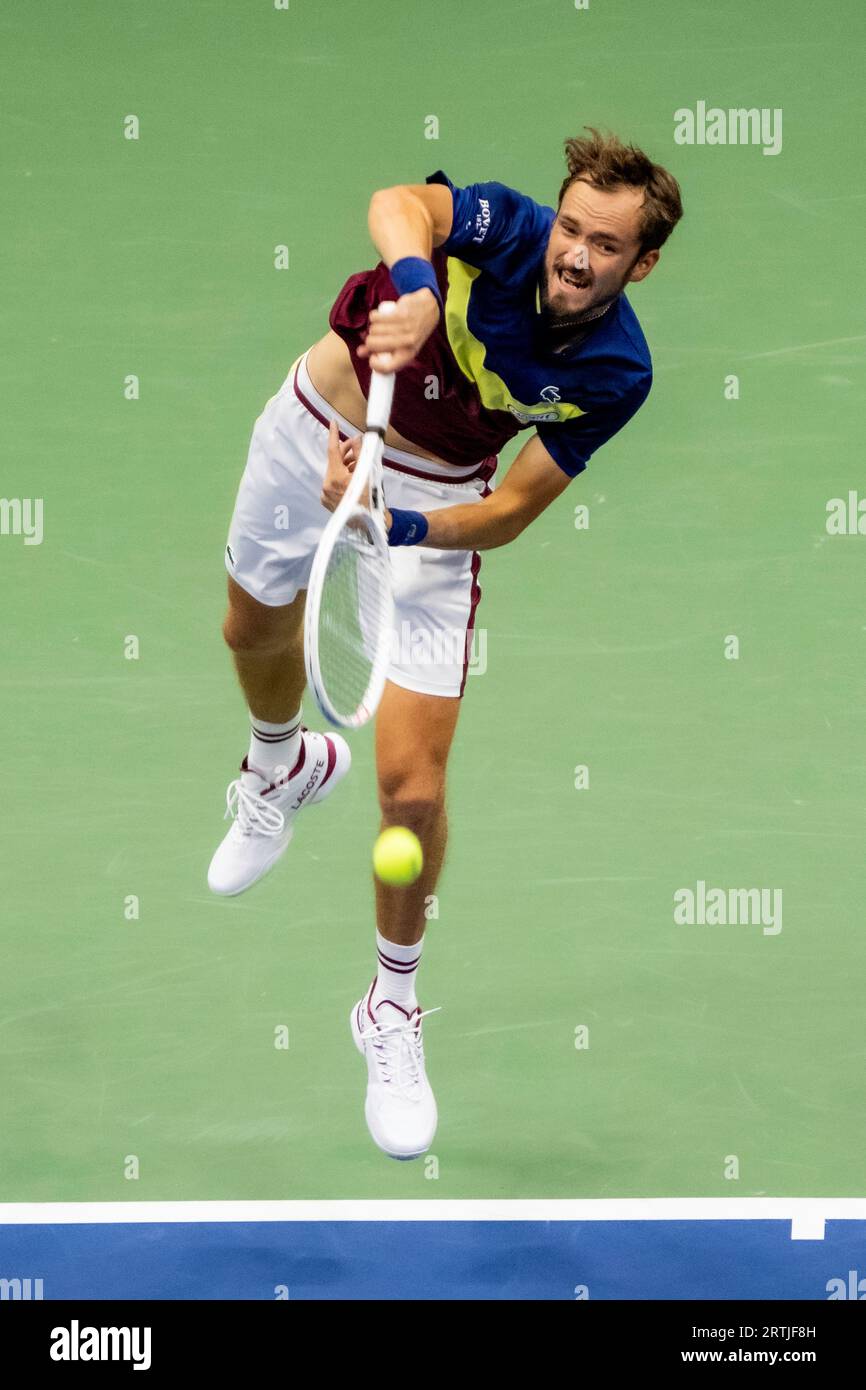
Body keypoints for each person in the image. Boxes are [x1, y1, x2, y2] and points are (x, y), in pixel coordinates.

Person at [208, 128, 683, 1160]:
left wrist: (391, 526)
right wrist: (420, 286)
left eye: (605, 245)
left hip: (431, 506)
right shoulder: (504, 228)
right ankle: (280, 764)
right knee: (251, 627)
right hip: (316, 426)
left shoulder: (618, 372)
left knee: (412, 794)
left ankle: (390, 1004)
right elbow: (398, 203)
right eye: (570, 228)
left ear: (641, 264)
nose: (573, 255)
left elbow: (509, 512)